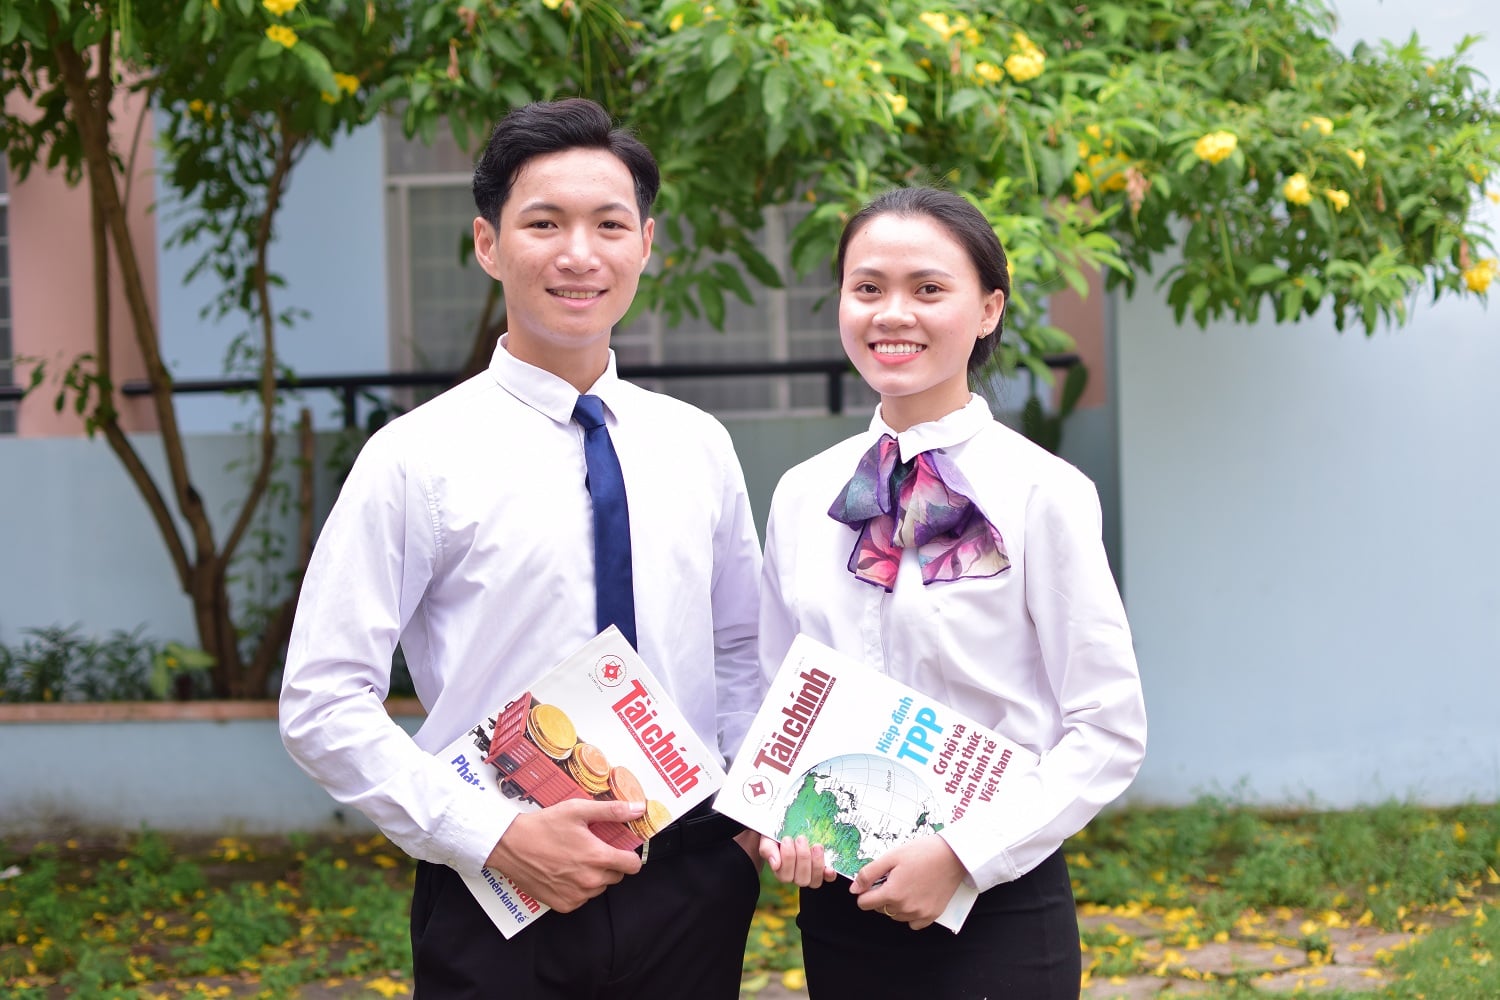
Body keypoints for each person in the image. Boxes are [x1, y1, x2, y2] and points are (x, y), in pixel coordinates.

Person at [279, 98, 764, 999]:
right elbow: (321, 700)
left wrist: (740, 813)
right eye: (544, 223)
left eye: (608, 225)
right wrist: (491, 834)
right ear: (488, 244)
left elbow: (742, 647)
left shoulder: (698, 444)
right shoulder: (415, 457)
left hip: (691, 885)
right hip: (497, 891)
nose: (579, 254)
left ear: (645, 244)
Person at [756, 187, 1147, 997]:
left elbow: (1108, 729)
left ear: (988, 308)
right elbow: (779, 699)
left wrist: (962, 856)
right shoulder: (802, 494)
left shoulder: (1043, 493)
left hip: (997, 905)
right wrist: (780, 818)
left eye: (928, 289)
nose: (892, 313)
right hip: (839, 903)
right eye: (867, 288)